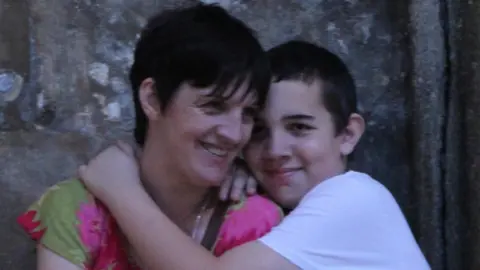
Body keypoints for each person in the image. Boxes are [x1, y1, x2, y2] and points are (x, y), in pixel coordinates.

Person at [79, 40, 431, 270]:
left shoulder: (352, 199)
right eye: (259, 131)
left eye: (299, 128)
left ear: (348, 134)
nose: (275, 151)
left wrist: (122, 191)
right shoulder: (297, 213)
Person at [17, 3, 283, 269]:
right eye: (213, 106)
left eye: (248, 114)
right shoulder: (77, 210)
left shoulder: (255, 221)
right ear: (152, 98)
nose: (235, 134)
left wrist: (123, 193)